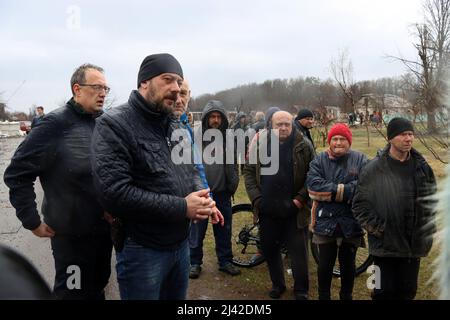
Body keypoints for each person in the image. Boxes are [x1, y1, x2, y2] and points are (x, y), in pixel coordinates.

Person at [91, 53, 217, 300]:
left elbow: (190, 170)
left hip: (180, 246)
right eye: (168, 79)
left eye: (179, 82)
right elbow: (114, 194)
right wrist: (183, 206)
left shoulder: (176, 125)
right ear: (144, 83)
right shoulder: (114, 125)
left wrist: (203, 198)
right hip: (142, 249)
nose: (176, 88)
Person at [3, 63, 112, 300]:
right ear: (77, 89)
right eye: (97, 87)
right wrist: (31, 221)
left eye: (106, 88)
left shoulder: (103, 123)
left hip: (102, 230)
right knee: (72, 291)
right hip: (70, 236)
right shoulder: (54, 125)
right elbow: (17, 173)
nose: (103, 93)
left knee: (98, 285)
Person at [353, 117, 437, 300]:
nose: (408, 139)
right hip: (384, 248)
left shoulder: (422, 169)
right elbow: (360, 205)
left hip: (411, 247)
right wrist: (380, 229)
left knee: (407, 293)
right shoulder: (373, 169)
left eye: (411, 134)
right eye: (403, 134)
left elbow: (431, 203)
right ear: (390, 138)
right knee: (382, 293)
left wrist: (426, 233)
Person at [244, 111, 314, 300]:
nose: (283, 128)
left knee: (298, 252)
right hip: (267, 208)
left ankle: (301, 289)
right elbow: (249, 173)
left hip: (294, 209)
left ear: (292, 125)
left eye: (287, 124)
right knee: (270, 249)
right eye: (279, 124)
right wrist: (257, 200)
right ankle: (278, 284)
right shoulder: (259, 144)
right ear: (270, 126)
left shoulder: (303, 145)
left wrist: (299, 200)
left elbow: (313, 175)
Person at [306, 123, 367, 300]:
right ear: (329, 141)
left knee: (348, 265)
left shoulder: (361, 159)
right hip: (325, 220)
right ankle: (323, 296)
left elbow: (365, 188)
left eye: (342, 139)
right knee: (325, 264)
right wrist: (347, 191)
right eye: (335, 139)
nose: (338, 142)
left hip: (352, 220)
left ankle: (346, 296)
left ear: (349, 141)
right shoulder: (319, 160)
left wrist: (333, 192)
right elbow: (313, 188)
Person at [189, 100, 240, 278]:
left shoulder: (229, 137)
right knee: (197, 230)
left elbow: (234, 163)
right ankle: (194, 263)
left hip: (223, 193)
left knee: (224, 230)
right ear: (206, 119)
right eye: (212, 117)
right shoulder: (195, 137)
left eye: (219, 117)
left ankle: (225, 261)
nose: (216, 120)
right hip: (202, 193)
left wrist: (233, 184)